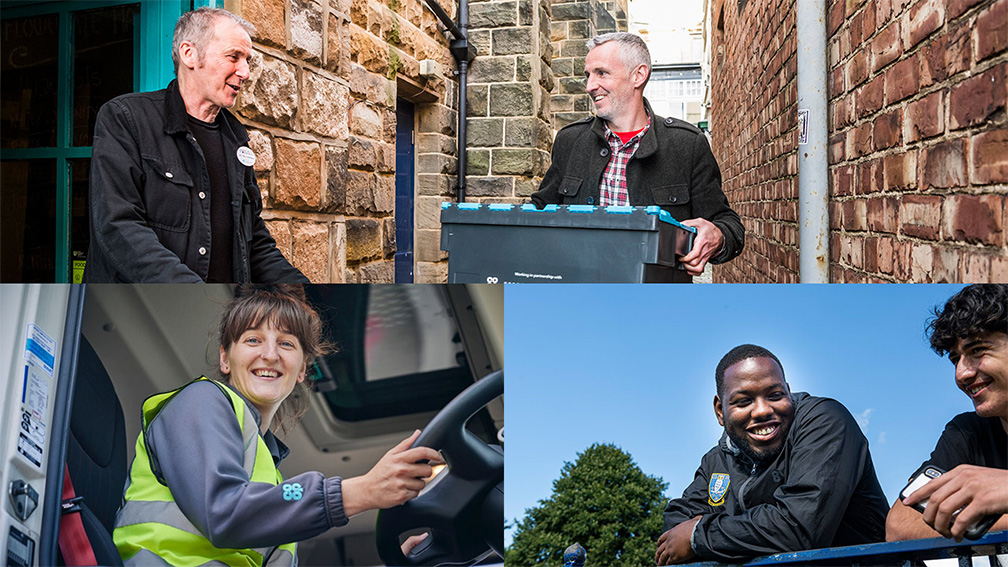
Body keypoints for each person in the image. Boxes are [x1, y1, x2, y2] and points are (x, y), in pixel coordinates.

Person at [112, 285, 438, 565]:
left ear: (301, 370)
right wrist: (362, 490)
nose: (270, 354)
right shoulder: (201, 400)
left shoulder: (269, 477)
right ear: (226, 358)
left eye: (286, 343)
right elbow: (225, 513)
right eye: (253, 340)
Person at [86, 8, 307, 283]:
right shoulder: (126, 118)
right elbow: (118, 226)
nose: (245, 72)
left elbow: (255, 244)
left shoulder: (236, 138)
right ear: (189, 54)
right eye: (233, 57)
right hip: (139, 316)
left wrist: (303, 293)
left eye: (247, 60)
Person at [530, 32, 744, 278]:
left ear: (638, 75)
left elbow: (728, 225)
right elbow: (538, 212)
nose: (589, 86)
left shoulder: (687, 144)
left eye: (601, 73)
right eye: (588, 75)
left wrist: (717, 236)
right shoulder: (570, 141)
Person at [656, 344, 889, 565]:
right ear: (720, 411)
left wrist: (699, 536)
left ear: (788, 390)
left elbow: (799, 528)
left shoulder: (825, 422)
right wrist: (736, 533)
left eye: (775, 395)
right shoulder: (716, 460)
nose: (763, 410)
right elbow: (676, 527)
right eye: (744, 401)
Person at [886, 284, 1008, 542]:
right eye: (955, 359)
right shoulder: (968, 432)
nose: (961, 374)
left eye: (977, 350)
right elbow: (900, 525)